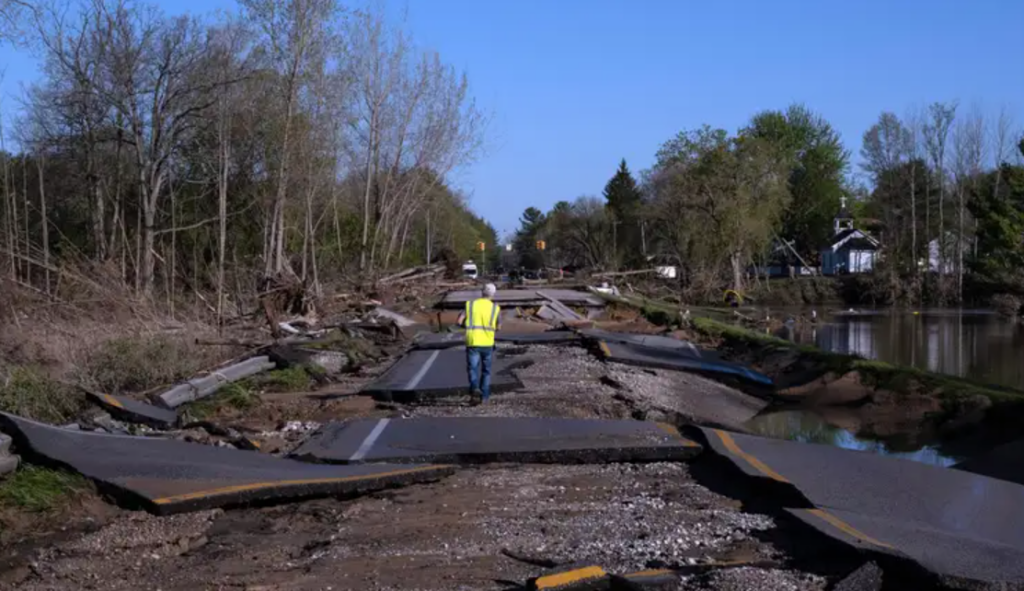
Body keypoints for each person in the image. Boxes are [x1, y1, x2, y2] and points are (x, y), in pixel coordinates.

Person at [456, 283, 501, 405]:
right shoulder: (495, 308)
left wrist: (466, 326)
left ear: (482, 292)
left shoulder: (470, 305)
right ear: (493, 294)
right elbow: (499, 327)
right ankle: (484, 397)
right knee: (486, 371)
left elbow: (459, 321)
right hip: (488, 343)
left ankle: (475, 389)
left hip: (473, 342)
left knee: (472, 368)